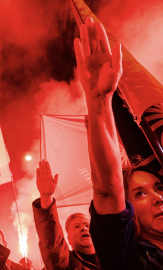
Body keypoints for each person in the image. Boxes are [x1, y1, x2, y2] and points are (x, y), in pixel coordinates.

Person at [74, 16, 163, 269]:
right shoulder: (128, 259)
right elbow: (108, 189)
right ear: (129, 215)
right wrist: (99, 100)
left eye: (159, 187)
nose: (158, 197)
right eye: (140, 194)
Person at [32, 159, 100, 269]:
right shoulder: (67, 263)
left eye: (87, 225)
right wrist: (45, 197)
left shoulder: (112, 257)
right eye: (77, 226)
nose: (84, 228)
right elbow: (53, 244)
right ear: (68, 240)